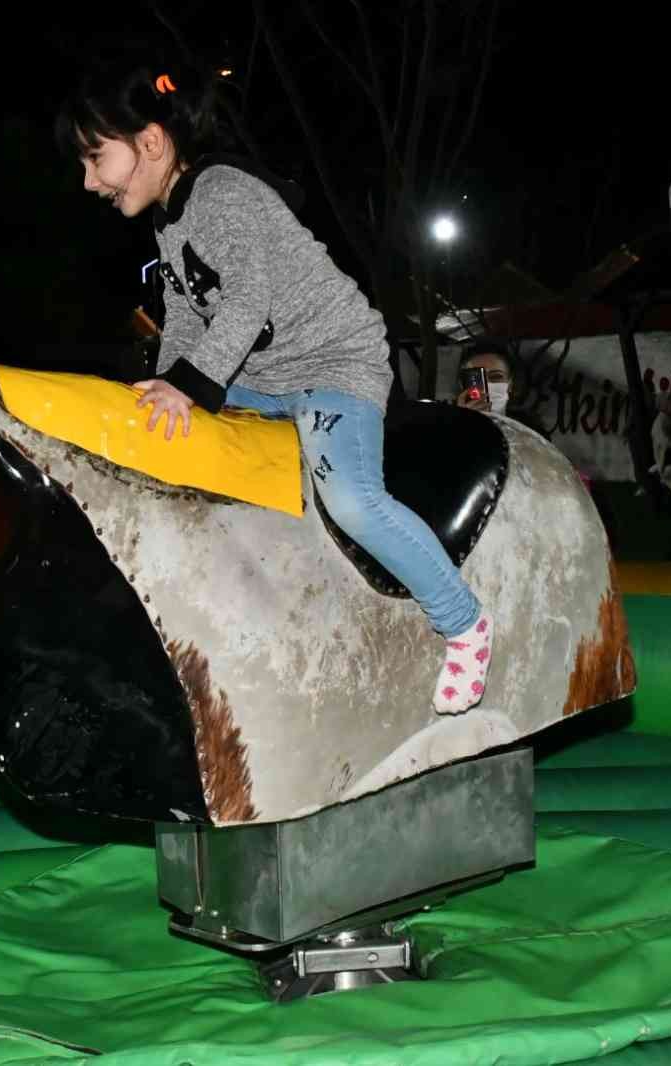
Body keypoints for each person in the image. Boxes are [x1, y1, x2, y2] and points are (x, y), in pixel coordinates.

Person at [65, 59, 492, 713]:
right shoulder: (170, 223)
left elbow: (246, 306)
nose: (89, 181)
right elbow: (183, 319)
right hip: (261, 379)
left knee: (351, 499)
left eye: (96, 158)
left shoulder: (224, 194)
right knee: (179, 433)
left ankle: (462, 622)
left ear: (150, 142)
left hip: (332, 366)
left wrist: (190, 387)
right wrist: (157, 388)